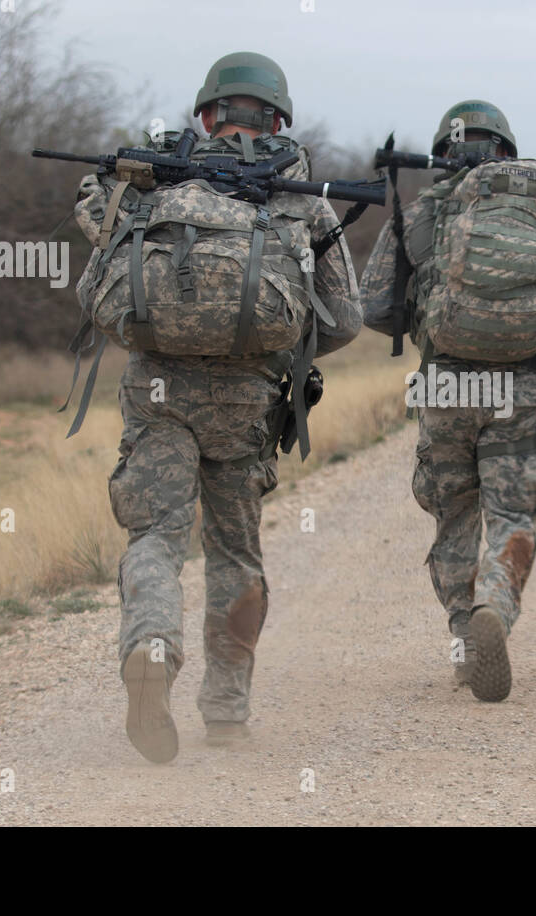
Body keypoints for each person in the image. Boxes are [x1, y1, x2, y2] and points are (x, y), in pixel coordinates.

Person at [73, 52, 362, 761]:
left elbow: (94, 274)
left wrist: (118, 179)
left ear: (206, 115)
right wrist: (282, 349)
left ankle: (150, 646)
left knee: (157, 539)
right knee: (235, 551)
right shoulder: (301, 198)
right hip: (249, 398)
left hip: (157, 394)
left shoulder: (154, 182)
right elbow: (349, 317)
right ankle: (227, 710)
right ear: (278, 119)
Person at [360, 101, 536, 702]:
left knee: (454, 515)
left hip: (445, 389)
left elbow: (374, 307)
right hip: (522, 388)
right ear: (508, 153)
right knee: (512, 515)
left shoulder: (421, 212)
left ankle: (466, 636)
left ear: (442, 154)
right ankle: (496, 603)